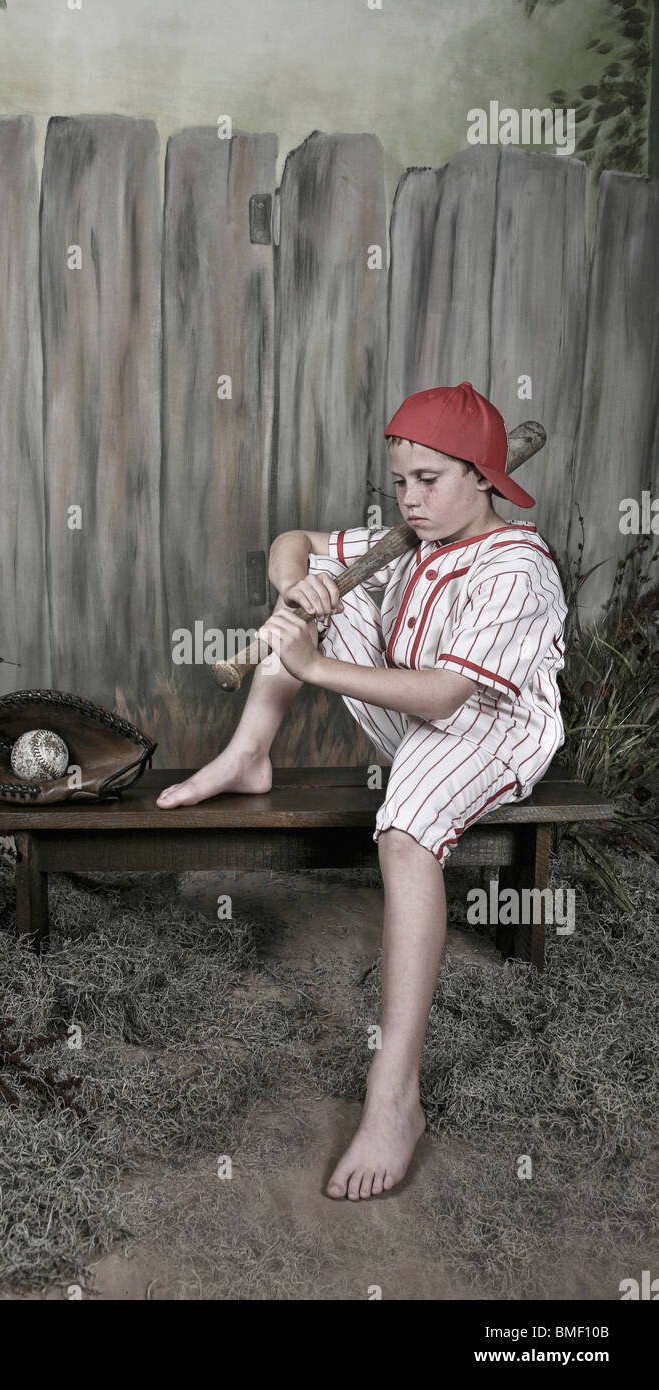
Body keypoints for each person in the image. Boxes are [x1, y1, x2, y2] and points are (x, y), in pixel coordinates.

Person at [156, 380, 567, 1200]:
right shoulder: (414, 539)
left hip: (490, 727)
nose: (410, 500)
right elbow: (292, 539)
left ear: (484, 477)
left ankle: (395, 1097)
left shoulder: (517, 567)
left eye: (431, 480)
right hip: (416, 710)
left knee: (405, 830)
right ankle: (248, 755)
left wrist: (307, 661)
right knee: (327, 593)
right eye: (401, 482)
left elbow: (448, 698)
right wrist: (296, 590)